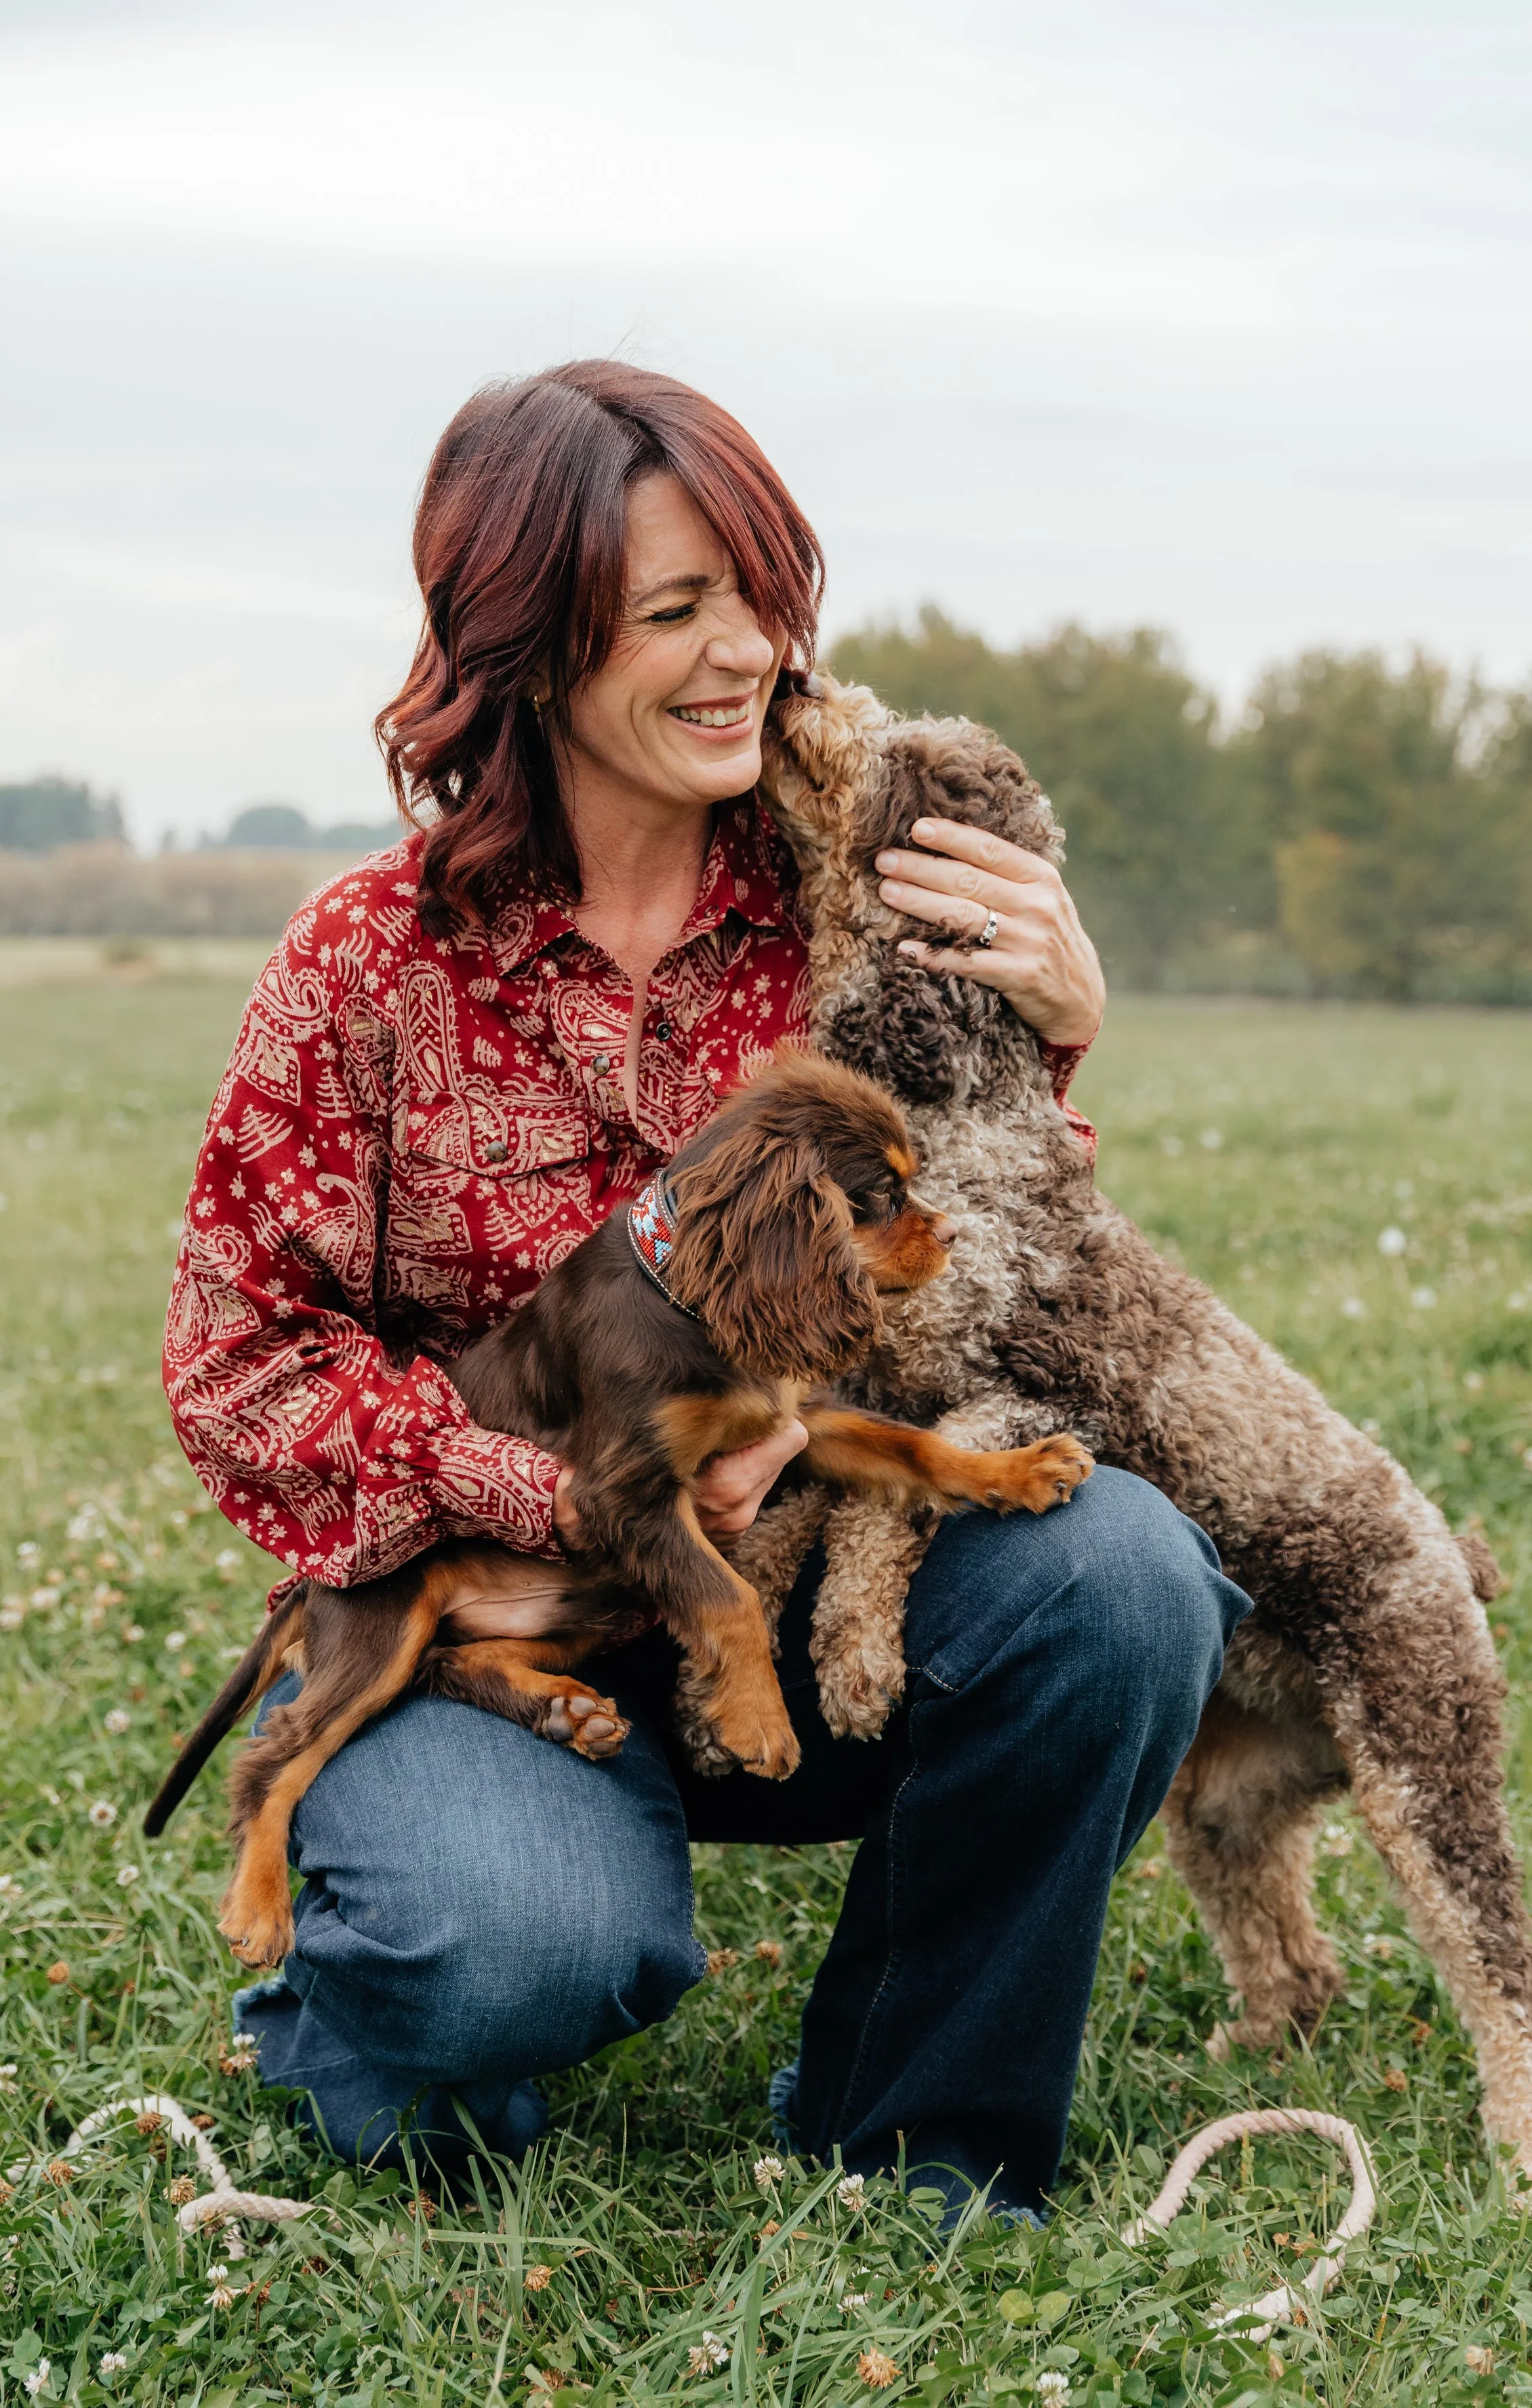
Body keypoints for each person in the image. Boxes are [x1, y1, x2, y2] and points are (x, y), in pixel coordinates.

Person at [163, 359, 1250, 2218]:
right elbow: (238, 1363)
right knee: (502, 1943)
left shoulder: (862, 907)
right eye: (675, 611)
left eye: (761, 593)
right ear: (525, 646)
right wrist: (561, 1489)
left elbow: (985, 1276)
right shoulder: (370, 955)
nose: (744, 648)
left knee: (1122, 1579)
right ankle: (378, 2009)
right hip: (506, 1641)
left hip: (813, 1596)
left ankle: (911, 2138)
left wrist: (1052, 1046)